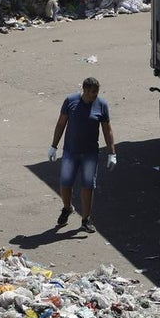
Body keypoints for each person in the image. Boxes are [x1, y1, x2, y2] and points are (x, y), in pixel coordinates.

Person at [48, 76, 116, 233]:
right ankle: (67, 208)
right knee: (65, 183)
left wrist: (112, 152)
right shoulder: (70, 101)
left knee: (88, 186)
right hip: (70, 152)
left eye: (97, 92)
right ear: (84, 90)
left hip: (90, 154)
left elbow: (107, 129)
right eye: (92, 92)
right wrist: (53, 146)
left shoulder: (102, 105)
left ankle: (86, 219)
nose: (95, 95)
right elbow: (61, 124)